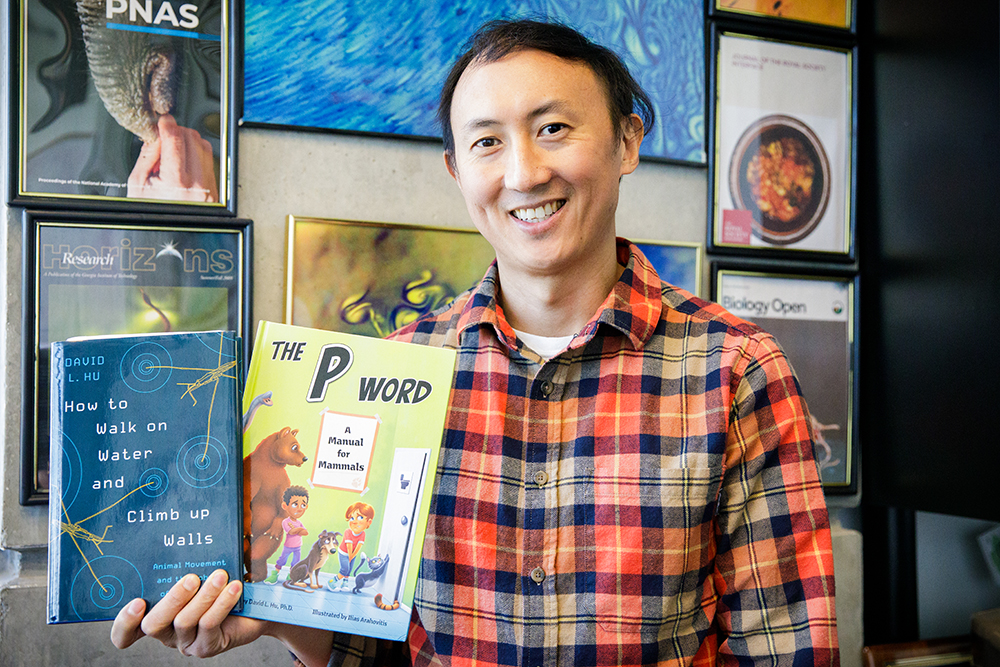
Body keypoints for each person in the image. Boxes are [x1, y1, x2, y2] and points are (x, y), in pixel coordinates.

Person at [110, 18, 838, 667]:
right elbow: (368, 643)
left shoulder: (736, 371)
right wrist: (284, 621)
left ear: (626, 141)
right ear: (459, 170)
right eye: (487, 142)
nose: (523, 172)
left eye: (554, 128)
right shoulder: (395, 371)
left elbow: (785, 647)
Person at [264, 486, 311, 584]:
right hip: (288, 546)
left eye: (303, 505)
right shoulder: (286, 521)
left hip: (298, 547)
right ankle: (274, 574)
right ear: (285, 506)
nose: (299, 509)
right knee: (282, 560)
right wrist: (298, 530)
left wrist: (297, 529)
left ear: (306, 507)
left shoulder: (299, 522)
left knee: (295, 562)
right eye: (295, 504)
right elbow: (291, 532)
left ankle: (290, 576)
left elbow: (306, 532)